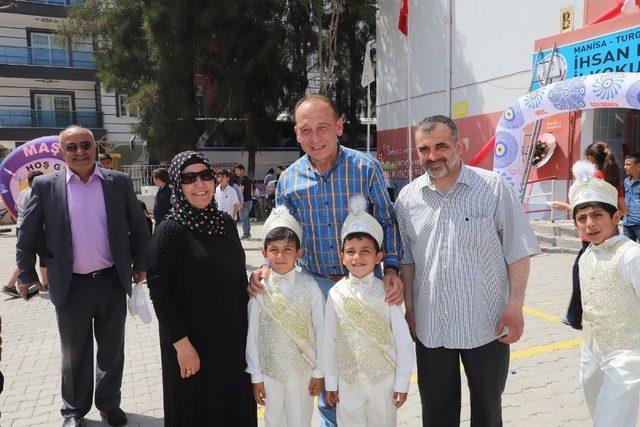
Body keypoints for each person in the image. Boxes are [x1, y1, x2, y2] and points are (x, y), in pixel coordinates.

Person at [249, 93, 404, 427]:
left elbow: (388, 223)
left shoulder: (366, 168)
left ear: (339, 127)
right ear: (296, 133)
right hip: (314, 287)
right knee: (321, 370)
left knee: (360, 368)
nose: (315, 138)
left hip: (363, 287)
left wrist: (390, 267)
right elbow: (282, 237)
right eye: (307, 130)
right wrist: (265, 268)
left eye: (323, 127)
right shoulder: (288, 181)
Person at [394, 115, 540, 426]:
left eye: (441, 146)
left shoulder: (492, 188)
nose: (432, 156)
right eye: (424, 149)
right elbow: (406, 261)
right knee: (436, 413)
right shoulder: (407, 199)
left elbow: (518, 250)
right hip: (432, 326)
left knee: (487, 413)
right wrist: (409, 309)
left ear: (459, 146)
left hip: (486, 323)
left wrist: (515, 307)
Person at [16, 125, 150, 427]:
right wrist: (25, 273)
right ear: (62, 152)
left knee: (112, 352)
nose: (80, 151)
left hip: (112, 281)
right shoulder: (46, 187)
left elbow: (139, 228)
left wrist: (142, 262)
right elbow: (27, 236)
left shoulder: (118, 182)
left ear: (95, 148)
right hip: (70, 286)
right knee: (74, 353)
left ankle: (108, 404)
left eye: (85, 145)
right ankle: (74, 411)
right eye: (72, 147)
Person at [147, 151, 256, 427]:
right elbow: (160, 294)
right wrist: (181, 345)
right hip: (192, 345)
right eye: (189, 178)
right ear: (177, 185)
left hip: (231, 343)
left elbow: (232, 272)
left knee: (234, 410)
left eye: (205, 175)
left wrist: (255, 280)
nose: (200, 184)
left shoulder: (223, 223)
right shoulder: (169, 230)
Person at [322, 197, 414, 426]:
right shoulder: (335, 294)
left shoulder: (387, 292)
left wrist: (402, 382)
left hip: (383, 382)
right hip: (348, 382)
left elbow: (402, 341)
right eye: (351, 251)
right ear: (341, 256)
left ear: (379, 256)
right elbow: (328, 341)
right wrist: (331, 383)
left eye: (365, 251)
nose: (357, 257)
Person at [567, 160, 640, 426]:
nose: (590, 224)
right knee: (598, 410)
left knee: (612, 420)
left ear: (616, 216)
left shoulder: (630, 254)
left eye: (597, 215)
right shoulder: (586, 255)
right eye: (582, 218)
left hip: (627, 353)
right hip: (592, 350)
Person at [246, 206, 325, 426]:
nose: (280, 256)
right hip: (269, 373)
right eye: (274, 250)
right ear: (264, 253)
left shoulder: (310, 287)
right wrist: (256, 376)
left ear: (299, 253)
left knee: (301, 421)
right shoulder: (259, 289)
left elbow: (321, 330)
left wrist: (319, 371)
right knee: (273, 421)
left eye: (288, 250)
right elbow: (252, 335)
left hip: (303, 373)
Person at [550, 141, 627, 330]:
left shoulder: (593, 178)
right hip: (611, 237)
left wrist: (566, 207)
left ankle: (575, 317)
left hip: (590, 242)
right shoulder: (614, 178)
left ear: (590, 159)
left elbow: (586, 209)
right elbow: (623, 208)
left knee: (581, 276)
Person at [3, 170, 48, 297]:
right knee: (43, 256)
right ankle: (45, 284)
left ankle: (10, 285)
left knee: (26, 259)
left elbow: (17, 207)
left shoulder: (23, 192)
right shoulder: (36, 193)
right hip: (35, 229)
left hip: (20, 228)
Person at [623, 153, 640, 242]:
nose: (624, 167)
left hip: (638, 223)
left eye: (628, 164)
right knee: (628, 251)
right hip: (627, 223)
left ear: (638, 166)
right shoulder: (626, 181)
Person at [234, 163, 253, 239]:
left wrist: (240, 203)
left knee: (243, 218)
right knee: (245, 218)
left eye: (237, 170)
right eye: (235, 171)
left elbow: (240, 193)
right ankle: (248, 233)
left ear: (242, 170)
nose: (236, 172)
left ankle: (246, 234)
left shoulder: (242, 180)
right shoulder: (248, 179)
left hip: (244, 202)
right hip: (250, 201)